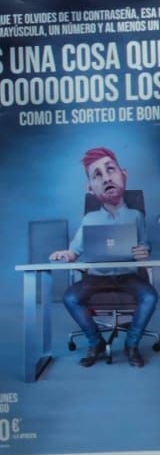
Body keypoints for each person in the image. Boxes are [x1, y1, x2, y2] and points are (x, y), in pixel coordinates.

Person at [49, 145, 154, 366]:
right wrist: (65, 255)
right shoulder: (89, 219)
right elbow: (74, 251)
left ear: (123, 175)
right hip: (96, 278)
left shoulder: (136, 216)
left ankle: (131, 344)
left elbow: (145, 248)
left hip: (129, 277)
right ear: (90, 188)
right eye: (97, 175)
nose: (106, 178)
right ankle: (95, 341)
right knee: (70, 297)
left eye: (110, 170)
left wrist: (143, 252)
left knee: (150, 296)